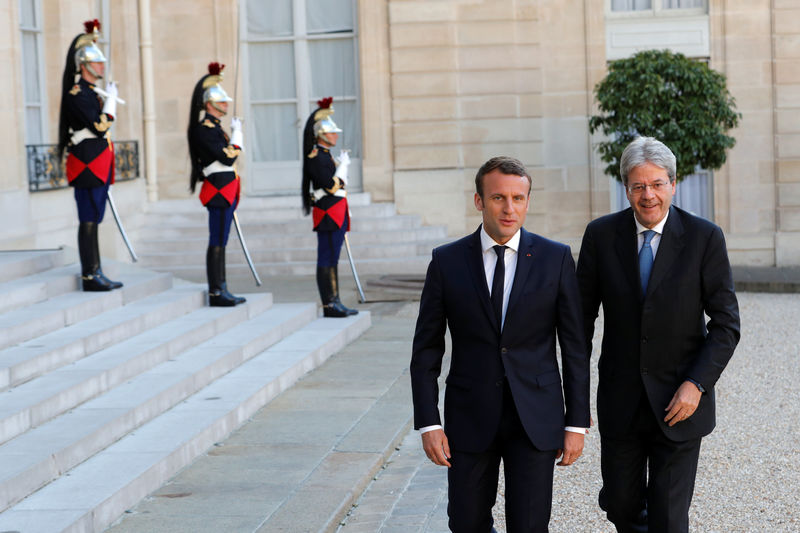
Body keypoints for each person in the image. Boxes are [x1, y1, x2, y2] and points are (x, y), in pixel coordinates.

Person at [410, 156, 590, 532]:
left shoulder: (555, 258)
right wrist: (428, 422)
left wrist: (576, 422)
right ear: (479, 201)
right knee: (465, 523)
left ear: (527, 202)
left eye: (518, 198)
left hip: (535, 416)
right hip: (470, 414)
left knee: (529, 525)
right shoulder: (446, 261)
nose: (509, 209)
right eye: (498, 198)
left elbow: (574, 345)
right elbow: (427, 348)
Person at [576, 137, 740, 533]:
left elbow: (726, 324)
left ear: (673, 183)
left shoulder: (705, 238)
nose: (648, 195)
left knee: (668, 519)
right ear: (626, 187)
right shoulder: (600, 236)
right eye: (638, 186)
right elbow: (579, 322)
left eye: (657, 184)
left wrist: (696, 384)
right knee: (620, 506)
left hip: (680, 403)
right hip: (621, 401)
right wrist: (575, 402)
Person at [58, 19, 122, 291]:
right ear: (84, 65)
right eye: (97, 63)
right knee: (88, 217)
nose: (102, 67)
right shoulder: (78, 93)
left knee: (95, 217)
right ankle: (89, 274)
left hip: (97, 163)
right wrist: (110, 106)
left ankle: (96, 270)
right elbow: (98, 126)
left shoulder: (92, 93)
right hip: (87, 164)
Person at [187, 62, 246, 307]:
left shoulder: (216, 128)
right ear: (209, 104)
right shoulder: (204, 130)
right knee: (217, 239)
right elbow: (227, 156)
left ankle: (222, 287)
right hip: (218, 190)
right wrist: (237, 137)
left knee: (222, 239)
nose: (226, 105)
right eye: (222, 102)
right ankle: (216, 290)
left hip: (226, 188)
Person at [301, 97, 358, 318]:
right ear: (322, 135)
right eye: (332, 133)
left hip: (336, 212)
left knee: (333, 258)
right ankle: (329, 304)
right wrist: (343, 168)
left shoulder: (327, 156)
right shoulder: (316, 157)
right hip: (328, 214)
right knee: (327, 258)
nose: (336, 136)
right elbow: (331, 186)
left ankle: (335, 300)